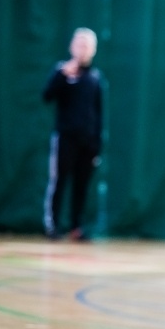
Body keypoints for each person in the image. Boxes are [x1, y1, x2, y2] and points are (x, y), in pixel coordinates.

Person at [42, 28, 103, 241]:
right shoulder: (62, 71)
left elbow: (98, 113)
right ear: (72, 46)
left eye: (87, 45)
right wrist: (63, 76)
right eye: (79, 44)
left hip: (87, 143)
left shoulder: (95, 78)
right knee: (59, 181)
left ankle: (76, 228)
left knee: (81, 185)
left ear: (93, 50)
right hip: (65, 138)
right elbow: (47, 95)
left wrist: (96, 146)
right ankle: (53, 226)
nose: (83, 49)